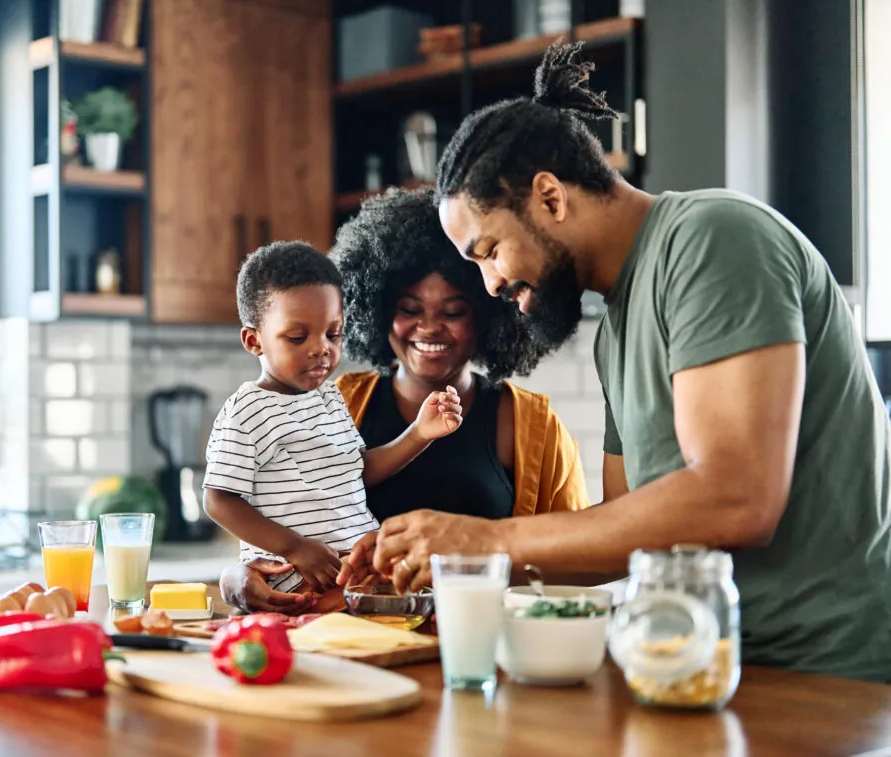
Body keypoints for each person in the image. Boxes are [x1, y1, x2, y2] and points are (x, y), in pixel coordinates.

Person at [361, 42, 891, 681]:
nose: (490, 283)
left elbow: (738, 497)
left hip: (822, 678)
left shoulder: (715, 239)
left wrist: (489, 542)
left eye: (489, 249)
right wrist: (437, 559)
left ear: (550, 198)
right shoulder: (616, 329)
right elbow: (619, 539)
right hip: (696, 666)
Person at [219, 190, 591, 613]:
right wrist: (236, 578)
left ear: (488, 316)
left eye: (453, 312)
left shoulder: (532, 426)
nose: (428, 328)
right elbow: (276, 529)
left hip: (474, 643)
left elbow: (573, 562)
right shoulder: (331, 404)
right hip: (349, 646)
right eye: (410, 308)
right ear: (376, 309)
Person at [203, 241, 463, 596]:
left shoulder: (328, 396)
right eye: (297, 337)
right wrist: (295, 547)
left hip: (353, 575)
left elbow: (356, 469)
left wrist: (419, 433)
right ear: (253, 341)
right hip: (298, 580)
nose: (321, 348)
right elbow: (219, 499)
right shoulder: (249, 409)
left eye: (333, 333)